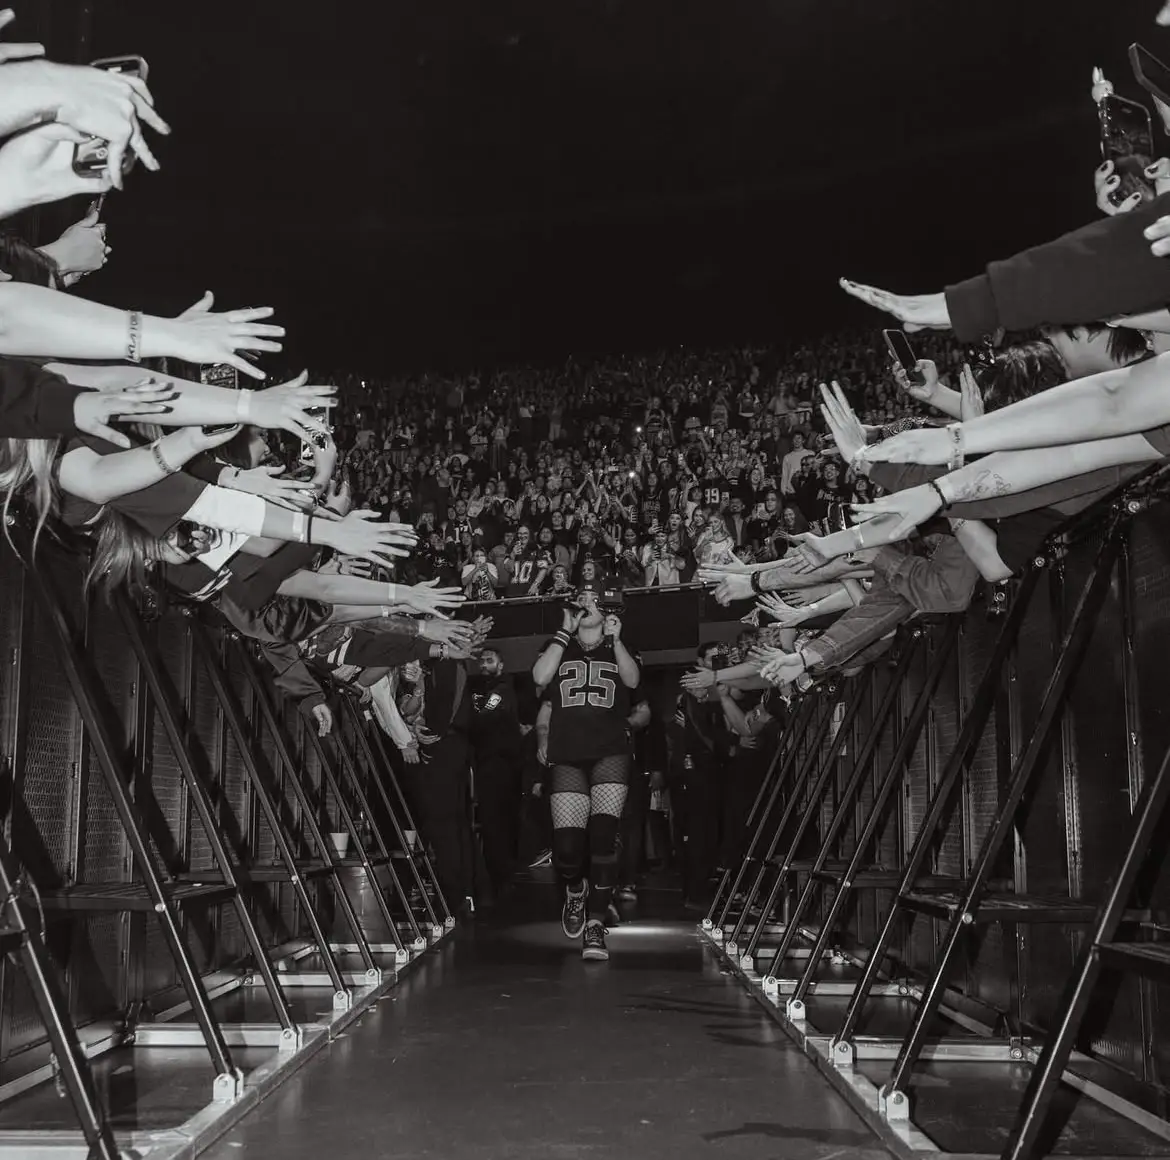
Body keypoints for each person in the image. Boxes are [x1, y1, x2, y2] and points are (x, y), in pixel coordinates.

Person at [532, 582, 640, 961]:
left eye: (595, 599)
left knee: (604, 838)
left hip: (610, 752)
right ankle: (575, 891)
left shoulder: (619, 644)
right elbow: (540, 677)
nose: (588, 604)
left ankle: (595, 926)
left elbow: (632, 681)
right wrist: (564, 629)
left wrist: (618, 639)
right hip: (568, 753)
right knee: (566, 848)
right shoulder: (561, 644)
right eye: (582, 599)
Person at [470, 648, 525, 904]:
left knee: (499, 822)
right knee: (496, 822)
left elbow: (484, 712)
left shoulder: (502, 688)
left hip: (501, 765)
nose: (484, 663)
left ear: (501, 664)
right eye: (481, 660)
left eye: (489, 659)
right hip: (490, 763)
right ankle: (500, 876)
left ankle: (502, 877)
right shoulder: (483, 689)